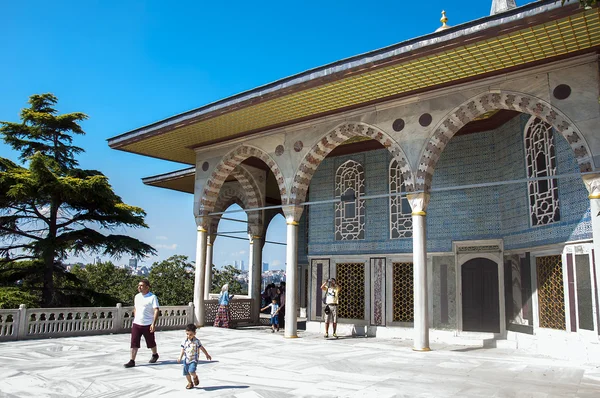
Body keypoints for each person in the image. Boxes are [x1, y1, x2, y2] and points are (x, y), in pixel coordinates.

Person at [124, 279, 160, 368]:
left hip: (147, 323)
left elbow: (156, 310)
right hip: (137, 323)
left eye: (141, 286)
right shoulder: (137, 296)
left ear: (147, 287)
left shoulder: (152, 297)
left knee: (151, 342)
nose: (139, 287)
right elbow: (135, 308)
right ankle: (132, 360)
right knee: (134, 342)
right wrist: (136, 317)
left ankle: (155, 354)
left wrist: (153, 324)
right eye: (138, 285)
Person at [178, 323, 212, 390]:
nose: (189, 336)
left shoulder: (197, 341)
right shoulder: (184, 341)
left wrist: (207, 354)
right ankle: (190, 383)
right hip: (186, 359)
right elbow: (182, 350)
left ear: (194, 333)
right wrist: (180, 357)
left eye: (190, 334)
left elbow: (202, 348)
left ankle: (195, 377)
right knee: (186, 373)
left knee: (191, 371)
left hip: (193, 360)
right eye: (187, 334)